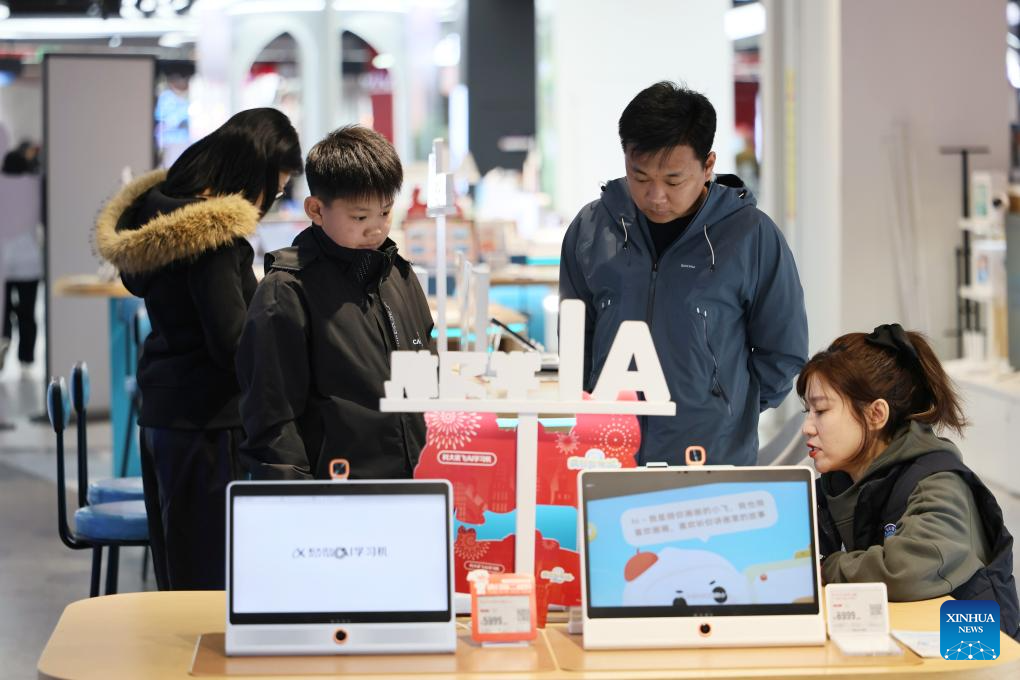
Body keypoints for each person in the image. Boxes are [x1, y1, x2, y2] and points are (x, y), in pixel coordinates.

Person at [94, 108, 302, 590]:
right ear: (251, 171)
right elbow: (232, 343)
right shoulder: (212, 241)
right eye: (274, 188)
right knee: (209, 582)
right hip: (209, 425)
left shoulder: (158, 219)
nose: (269, 202)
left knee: (178, 572)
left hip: (163, 416)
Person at [559, 81, 807, 466]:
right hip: (608, 451)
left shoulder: (751, 236)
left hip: (712, 457)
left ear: (708, 166)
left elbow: (783, 350)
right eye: (640, 176)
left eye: (673, 180)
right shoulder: (592, 229)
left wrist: (727, 408)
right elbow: (576, 341)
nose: (656, 196)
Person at [236, 125, 433, 480]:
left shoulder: (399, 276)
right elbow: (273, 420)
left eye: (385, 212)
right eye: (359, 217)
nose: (376, 229)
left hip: (417, 483)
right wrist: (295, 497)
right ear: (316, 209)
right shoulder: (287, 291)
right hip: (335, 492)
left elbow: (425, 384)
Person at [800, 324, 1020, 638]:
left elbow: (907, 570)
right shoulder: (836, 483)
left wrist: (828, 569)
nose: (807, 427)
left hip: (970, 647)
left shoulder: (938, 482)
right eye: (807, 411)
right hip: (899, 638)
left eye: (821, 410)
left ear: (876, 414)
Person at [0, 146, 43, 371]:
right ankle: (26, 359)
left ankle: (3, 342)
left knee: (3, 312)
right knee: (28, 313)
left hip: (4, 263)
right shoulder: (33, 188)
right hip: (29, 262)